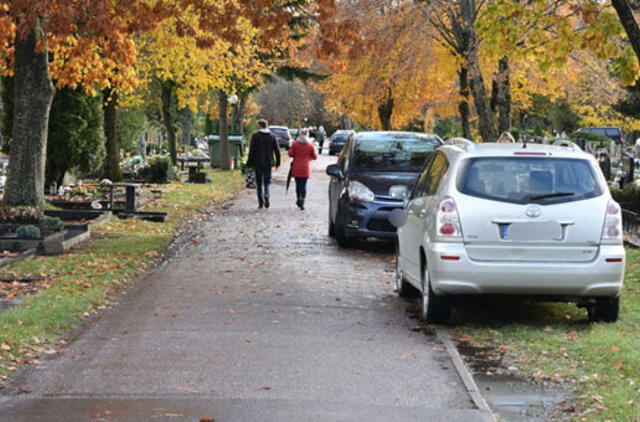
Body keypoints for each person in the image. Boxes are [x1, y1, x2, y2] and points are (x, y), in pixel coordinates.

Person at [247, 119, 281, 209]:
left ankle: (260, 203)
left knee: (259, 183)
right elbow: (277, 151)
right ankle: (266, 194)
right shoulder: (272, 136)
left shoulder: (255, 136)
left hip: (258, 163)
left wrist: (249, 163)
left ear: (260, 126)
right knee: (267, 181)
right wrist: (278, 162)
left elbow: (252, 151)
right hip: (268, 162)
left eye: (257, 125)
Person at [288, 128, 317, 210]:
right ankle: (303, 199)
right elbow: (315, 156)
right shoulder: (310, 145)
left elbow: (290, 154)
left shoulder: (295, 144)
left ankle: (298, 198)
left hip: (296, 166)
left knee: (298, 185)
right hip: (305, 167)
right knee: (303, 185)